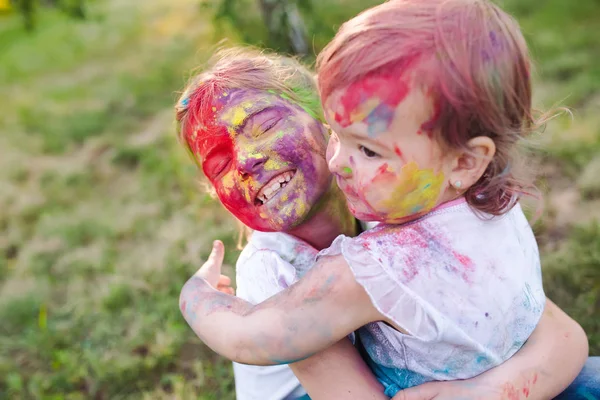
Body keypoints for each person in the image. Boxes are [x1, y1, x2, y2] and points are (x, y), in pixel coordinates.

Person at [175, 43, 595, 400]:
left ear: (328, 120)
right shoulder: (271, 271)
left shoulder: (391, 193)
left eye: (263, 126)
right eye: (220, 163)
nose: (246, 161)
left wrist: (481, 391)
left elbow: (560, 337)